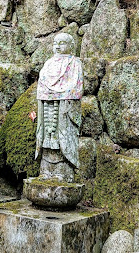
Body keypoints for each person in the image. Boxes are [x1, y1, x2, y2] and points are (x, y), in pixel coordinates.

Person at [35, 33, 83, 182]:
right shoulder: (48, 63)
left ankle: (63, 173)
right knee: (46, 137)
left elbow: (76, 86)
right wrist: (48, 94)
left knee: (63, 137)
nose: (57, 46)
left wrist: (59, 93)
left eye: (62, 43)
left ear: (70, 46)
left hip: (64, 108)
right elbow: (42, 82)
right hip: (47, 106)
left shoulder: (74, 63)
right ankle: (45, 171)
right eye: (55, 42)